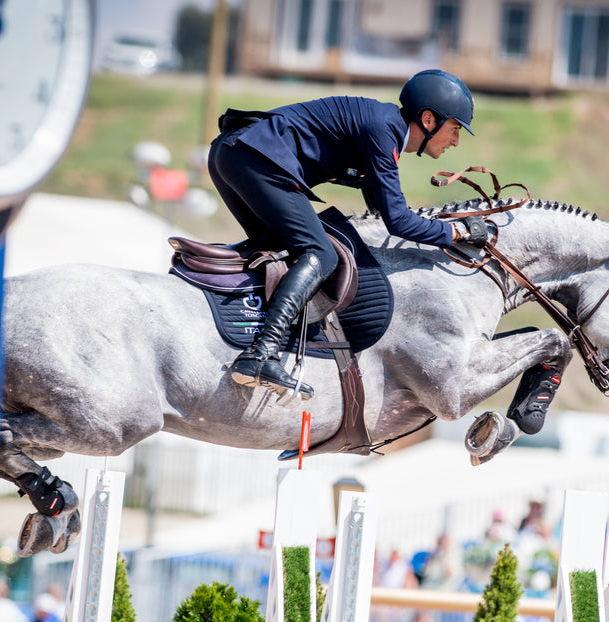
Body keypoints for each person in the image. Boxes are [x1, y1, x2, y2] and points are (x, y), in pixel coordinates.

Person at [207, 69, 486, 400]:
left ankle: (246, 334)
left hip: (234, 152)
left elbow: (385, 214)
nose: (455, 141)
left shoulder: (384, 130)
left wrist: (434, 229)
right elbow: (398, 221)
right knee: (321, 254)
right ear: (428, 120)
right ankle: (261, 354)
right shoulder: (383, 130)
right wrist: (456, 231)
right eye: (454, 130)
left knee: (281, 252)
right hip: (255, 156)